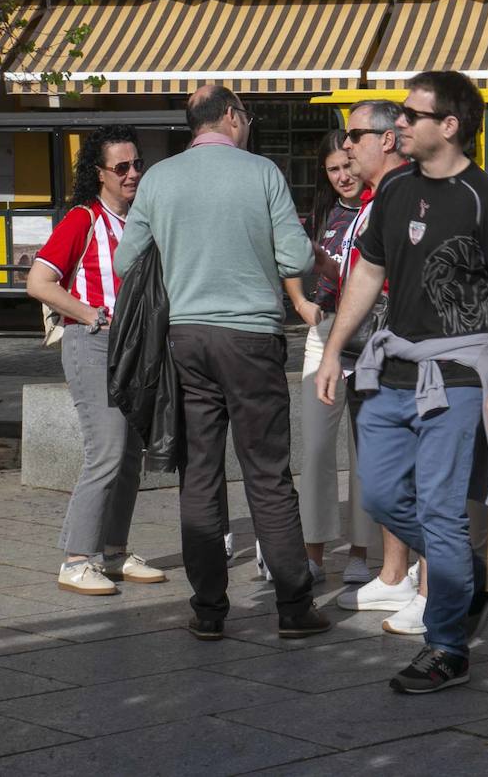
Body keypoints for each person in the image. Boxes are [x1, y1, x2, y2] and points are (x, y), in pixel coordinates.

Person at [315, 71, 488, 694]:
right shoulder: (396, 189)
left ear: (450, 126)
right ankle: (465, 577)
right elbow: (369, 271)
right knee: (379, 498)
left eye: (411, 114)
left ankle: (447, 647)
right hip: (391, 369)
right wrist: (333, 351)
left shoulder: (487, 197)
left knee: (440, 506)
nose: (399, 123)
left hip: (459, 375)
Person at [113, 85, 330, 641]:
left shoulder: (159, 178)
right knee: (267, 473)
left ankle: (209, 608)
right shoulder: (261, 173)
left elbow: (124, 261)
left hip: (185, 339)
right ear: (233, 117)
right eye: (248, 117)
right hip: (252, 339)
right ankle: (292, 606)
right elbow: (296, 257)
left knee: (200, 474)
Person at [27, 125, 166, 596]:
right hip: (93, 343)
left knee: (130, 456)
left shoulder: (140, 220)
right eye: (121, 167)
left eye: (136, 164)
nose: (132, 174)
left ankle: (114, 552)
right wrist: (91, 315)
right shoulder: (82, 220)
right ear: (98, 173)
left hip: (136, 349)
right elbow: (39, 283)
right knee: (106, 451)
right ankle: (75, 559)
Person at [331, 99, 427, 634]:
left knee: (415, 471)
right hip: (369, 355)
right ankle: (395, 573)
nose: (346, 146)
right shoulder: (376, 198)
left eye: (354, 135)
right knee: (384, 469)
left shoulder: (410, 193)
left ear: (386, 139)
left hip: (405, 353)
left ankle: (431, 582)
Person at [282, 130, 378, 586]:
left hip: (375, 337)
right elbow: (288, 262)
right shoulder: (320, 214)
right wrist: (301, 303)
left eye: (347, 165)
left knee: (367, 451)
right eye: (333, 169)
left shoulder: (383, 207)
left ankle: (361, 551)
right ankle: (314, 551)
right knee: (318, 449)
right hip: (324, 336)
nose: (343, 176)